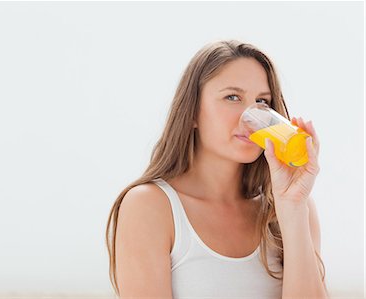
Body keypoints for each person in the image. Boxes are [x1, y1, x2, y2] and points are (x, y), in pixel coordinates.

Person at [105, 40, 328, 298]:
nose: (251, 115)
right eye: (232, 97)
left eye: (262, 101)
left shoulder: (293, 208)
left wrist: (293, 209)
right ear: (192, 114)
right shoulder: (150, 207)